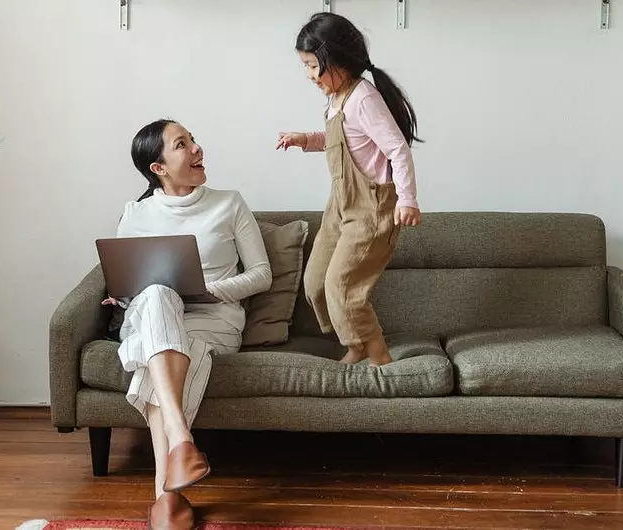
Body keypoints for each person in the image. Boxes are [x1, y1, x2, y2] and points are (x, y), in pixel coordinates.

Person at [105, 119, 272, 529]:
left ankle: (167, 492)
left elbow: (262, 274)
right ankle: (179, 451)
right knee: (159, 295)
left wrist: (211, 289)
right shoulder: (135, 213)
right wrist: (123, 295)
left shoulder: (229, 203)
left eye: (193, 140)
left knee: (166, 350)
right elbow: (127, 284)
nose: (197, 149)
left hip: (214, 318)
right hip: (154, 317)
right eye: (183, 144)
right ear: (158, 167)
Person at [275, 12, 422, 367]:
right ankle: (353, 342)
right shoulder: (337, 98)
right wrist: (306, 140)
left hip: (371, 208)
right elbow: (343, 138)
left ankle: (379, 359)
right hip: (340, 205)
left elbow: (396, 149)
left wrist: (407, 199)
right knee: (314, 283)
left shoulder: (362, 98)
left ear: (339, 59)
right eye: (305, 67)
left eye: (314, 66)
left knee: (342, 288)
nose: (310, 76)